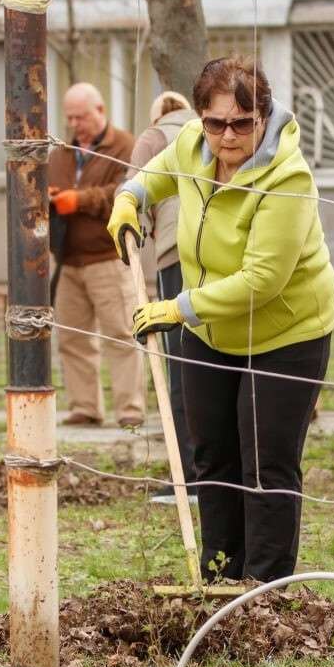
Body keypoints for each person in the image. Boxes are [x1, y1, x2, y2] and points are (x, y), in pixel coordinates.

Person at [110, 57, 334, 582]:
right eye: (215, 122)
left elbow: (262, 280)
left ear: (263, 116)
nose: (227, 135)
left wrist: (178, 307)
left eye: (241, 123)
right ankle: (219, 577)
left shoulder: (288, 177)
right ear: (200, 118)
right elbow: (155, 175)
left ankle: (262, 591)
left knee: (266, 466)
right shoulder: (193, 144)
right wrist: (129, 197)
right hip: (210, 331)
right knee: (212, 457)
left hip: (285, 334)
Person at [47, 83, 144, 428]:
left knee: (121, 335)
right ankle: (85, 407)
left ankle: (130, 409)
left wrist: (79, 200)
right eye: (70, 118)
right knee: (73, 339)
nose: (75, 124)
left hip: (107, 258)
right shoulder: (60, 153)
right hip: (68, 260)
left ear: (100, 110)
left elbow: (124, 191)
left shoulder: (125, 146)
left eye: (81, 117)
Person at [128, 91, 197, 504]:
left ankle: (187, 476)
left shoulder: (153, 137)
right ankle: (223, 474)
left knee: (182, 367)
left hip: (176, 255)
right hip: (224, 258)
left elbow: (133, 193)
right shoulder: (211, 130)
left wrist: (133, 233)